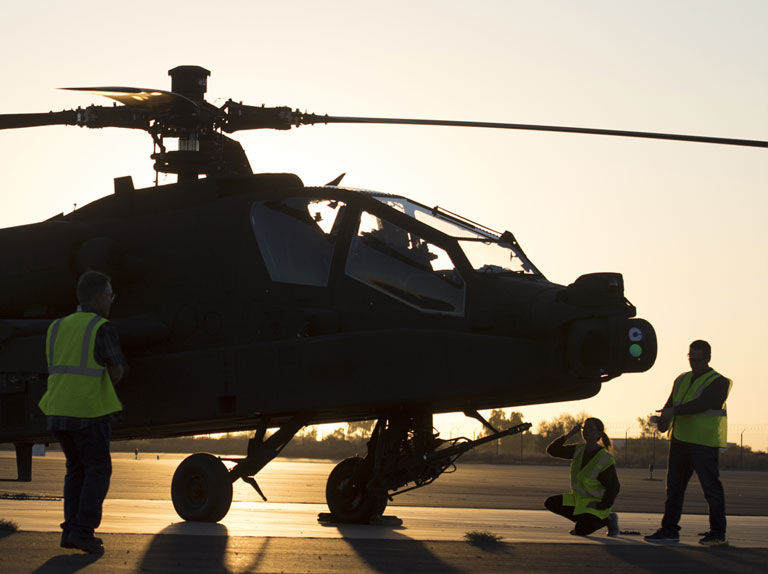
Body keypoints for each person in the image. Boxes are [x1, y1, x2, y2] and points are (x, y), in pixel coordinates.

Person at [38, 270, 127, 554]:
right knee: (98, 470)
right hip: (87, 411)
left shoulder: (57, 326)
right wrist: (103, 386)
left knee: (76, 470)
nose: (111, 301)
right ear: (100, 296)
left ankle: (70, 531)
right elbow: (116, 368)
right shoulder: (100, 327)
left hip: (56, 410)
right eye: (110, 295)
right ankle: (83, 531)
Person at [645, 340, 732, 546]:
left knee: (711, 489)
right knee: (674, 489)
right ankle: (669, 530)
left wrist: (674, 411)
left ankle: (717, 532)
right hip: (680, 441)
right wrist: (663, 420)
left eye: (697, 359)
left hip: (703, 443)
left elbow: (704, 404)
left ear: (708, 358)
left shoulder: (719, 382)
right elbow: (671, 405)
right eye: (690, 358)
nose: (693, 363)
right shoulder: (682, 379)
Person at [544, 417, 620, 536]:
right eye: (585, 427)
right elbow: (552, 450)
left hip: (596, 504)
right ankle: (583, 518)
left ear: (599, 433)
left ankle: (608, 518)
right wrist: (569, 434)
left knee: (581, 530)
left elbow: (614, 487)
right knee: (550, 502)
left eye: (591, 428)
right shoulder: (578, 450)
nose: (586, 430)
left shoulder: (604, 458)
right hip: (579, 500)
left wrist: (602, 505)